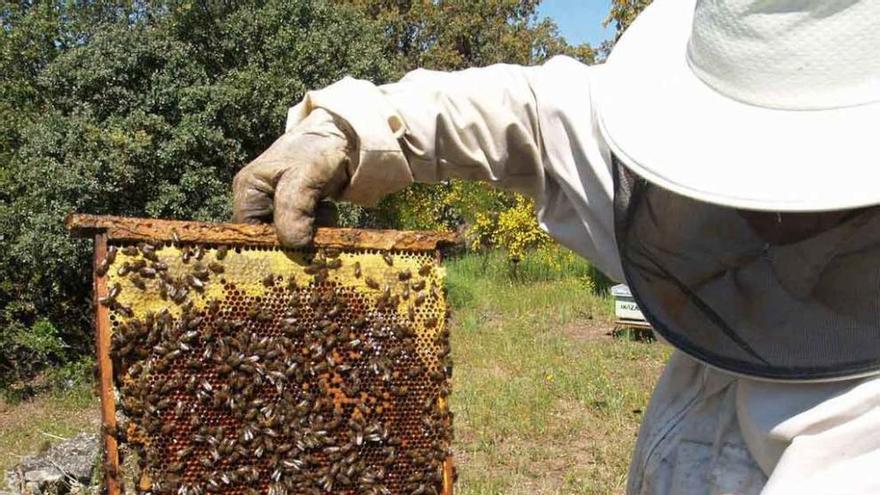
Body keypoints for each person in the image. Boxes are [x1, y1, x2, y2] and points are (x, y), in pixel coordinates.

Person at [232, 0, 880, 493]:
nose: (757, 211)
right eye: (734, 147)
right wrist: (353, 129)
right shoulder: (700, 160)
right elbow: (538, 114)